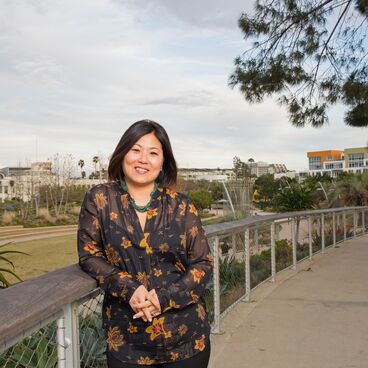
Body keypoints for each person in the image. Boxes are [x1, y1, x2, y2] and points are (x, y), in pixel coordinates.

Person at [77, 120, 213, 367]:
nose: (143, 159)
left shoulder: (181, 205)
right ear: (123, 153)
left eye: (153, 153)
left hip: (186, 338)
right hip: (127, 341)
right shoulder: (99, 199)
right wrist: (130, 289)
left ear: (163, 163)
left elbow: (203, 263)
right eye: (136, 150)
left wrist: (163, 297)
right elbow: (89, 255)